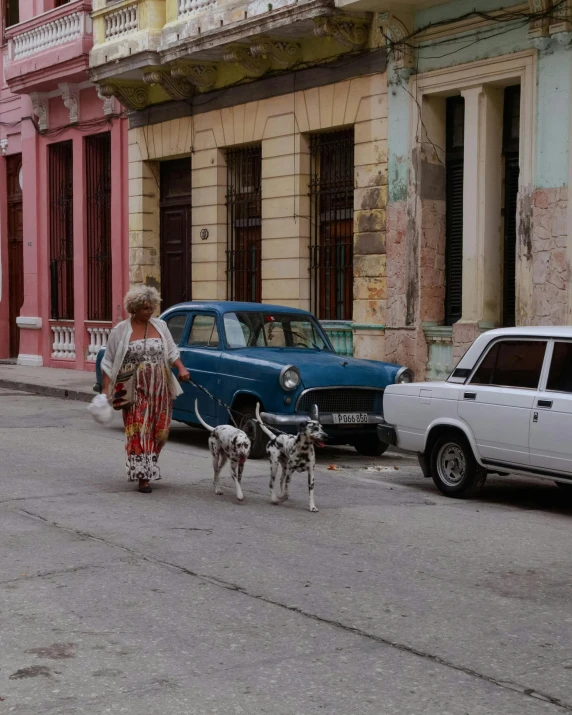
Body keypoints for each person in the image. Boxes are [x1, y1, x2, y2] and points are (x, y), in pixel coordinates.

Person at [101, 286, 190, 493]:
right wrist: (106, 389)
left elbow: (172, 351)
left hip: (160, 387)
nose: (149, 312)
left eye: (151, 308)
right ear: (134, 309)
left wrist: (182, 368)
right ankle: (143, 476)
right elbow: (108, 361)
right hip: (133, 388)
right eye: (144, 308)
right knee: (140, 430)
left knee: (160, 432)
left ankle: (148, 465)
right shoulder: (121, 330)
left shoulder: (161, 326)